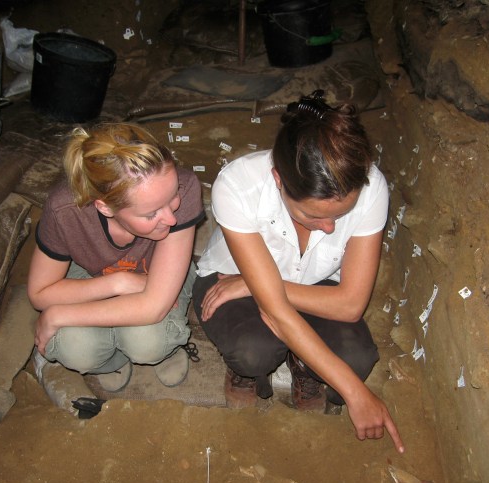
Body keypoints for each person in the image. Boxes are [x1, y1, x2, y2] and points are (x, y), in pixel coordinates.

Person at [193, 90, 404, 452]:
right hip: (229, 275)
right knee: (254, 351)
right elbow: (275, 312)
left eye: (341, 215)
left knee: (356, 360)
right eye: (311, 215)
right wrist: (357, 394)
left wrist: (255, 286)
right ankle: (248, 372)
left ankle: (303, 364)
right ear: (278, 179)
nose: (329, 228)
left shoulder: (371, 186)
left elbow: (350, 305)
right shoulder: (238, 186)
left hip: (300, 284)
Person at [28, 123, 205, 392]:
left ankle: (163, 352)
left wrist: (58, 315)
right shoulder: (63, 209)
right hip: (93, 273)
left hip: (158, 269)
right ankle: (111, 361)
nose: (171, 218)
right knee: (77, 350)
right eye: (151, 214)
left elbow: (154, 306)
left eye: (173, 197)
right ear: (105, 207)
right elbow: (40, 293)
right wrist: (118, 282)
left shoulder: (186, 184)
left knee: (148, 342)